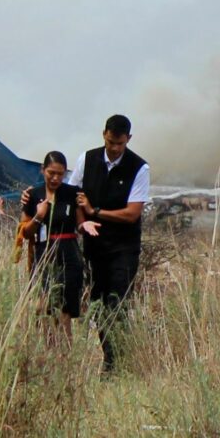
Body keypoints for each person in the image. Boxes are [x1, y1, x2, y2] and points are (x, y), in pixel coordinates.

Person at [69, 115, 150, 371]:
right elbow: (74, 196)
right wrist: (83, 223)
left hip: (124, 248)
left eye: (120, 143)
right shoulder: (87, 159)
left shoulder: (139, 168)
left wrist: (96, 212)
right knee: (99, 302)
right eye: (111, 141)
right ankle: (109, 358)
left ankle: (118, 361)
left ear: (129, 139)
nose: (115, 148)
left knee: (117, 302)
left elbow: (132, 213)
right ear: (103, 134)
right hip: (95, 246)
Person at [20, 151, 100, 342]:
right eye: (51, 173)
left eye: (60, 174)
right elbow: (24, 232)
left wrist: (85, 225)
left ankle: (64, 353)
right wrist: (39, 216)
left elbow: (79, 224)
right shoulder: (32, 195)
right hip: (43, 253)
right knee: (42, 305)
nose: (55, 178)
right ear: (42, 170)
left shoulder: (72, 193)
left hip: (68, 253)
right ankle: (45, 347)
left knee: (64, 308)